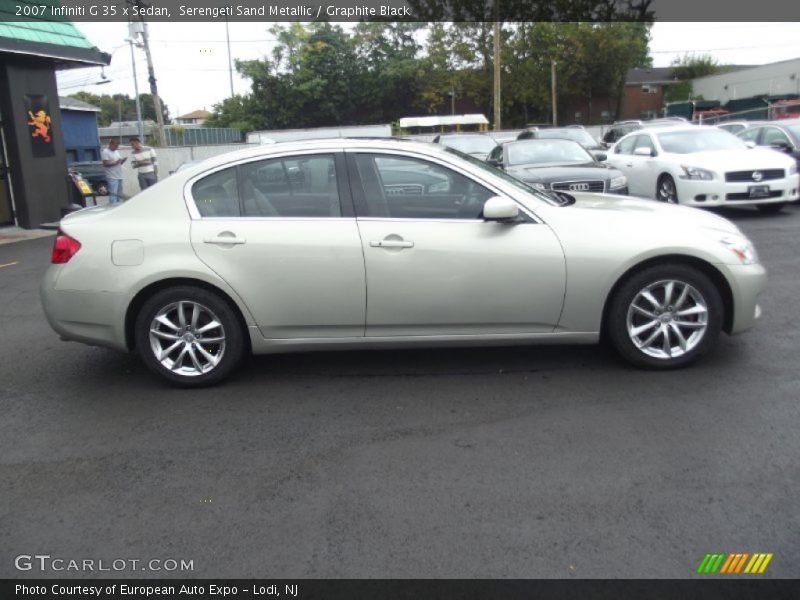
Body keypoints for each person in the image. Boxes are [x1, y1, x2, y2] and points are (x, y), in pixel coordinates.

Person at [100, 139, 125, 203]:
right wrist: (116, 162)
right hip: (112, 176)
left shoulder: (116, 151)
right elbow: (105, 164)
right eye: (115, 146)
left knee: (120, 194)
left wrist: (122, 161)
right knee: (113, 194)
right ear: (111, 144)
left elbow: (119, 162)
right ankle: (112, 206)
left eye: (117, 146)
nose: (116, 148)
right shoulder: (105, 152)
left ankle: (120, 206)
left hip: (119, 175)